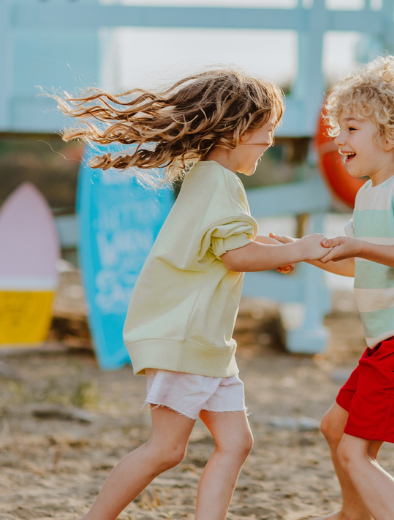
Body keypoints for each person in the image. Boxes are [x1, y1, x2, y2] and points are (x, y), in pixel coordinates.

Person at [53, 69, 331, 520]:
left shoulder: (209, 179)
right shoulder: (222, 183)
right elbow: (235, 256)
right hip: (185, 337)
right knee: (166, 449)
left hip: (207, 344)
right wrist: (299, 248)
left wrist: (272, 248)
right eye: (267, 131)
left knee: (236, 442)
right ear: (238, 130)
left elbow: (222, 248)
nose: (270, 142)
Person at [272, 56, 394, 520]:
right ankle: (354, 515)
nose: (338, 139)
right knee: (335, 429)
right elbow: (362, 265)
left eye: (352, 128)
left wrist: (359, 245)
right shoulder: (370, 195)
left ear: (393, 134)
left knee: (353, 453)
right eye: (338, 127)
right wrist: (301, 252)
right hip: (392, 340)